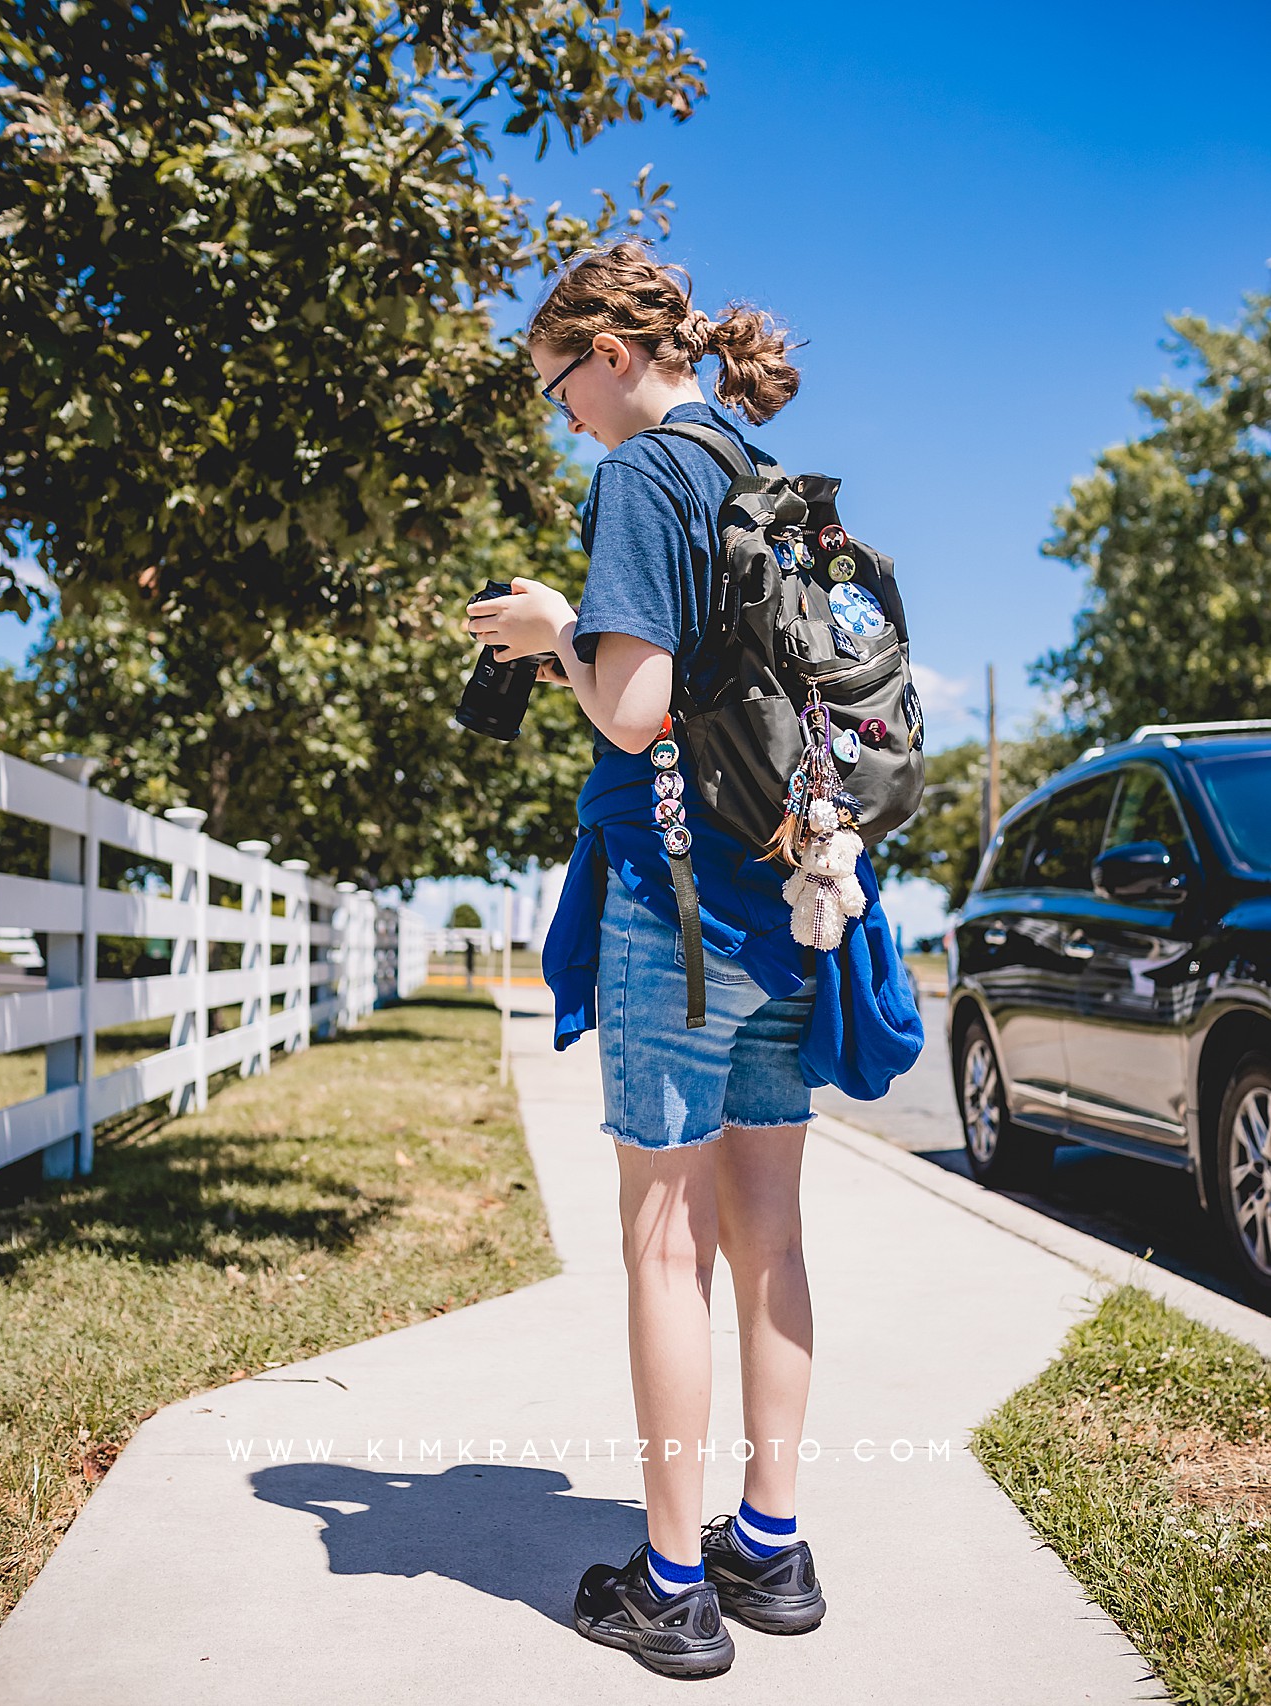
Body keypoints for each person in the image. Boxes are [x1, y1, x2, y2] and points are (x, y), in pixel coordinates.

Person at [463, 241, 907, 1679]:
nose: (561, 418)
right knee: (765, 1224)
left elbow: (640, 708)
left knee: (663, 1238)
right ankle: (766, 1548)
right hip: (786, 891)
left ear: (603, 352)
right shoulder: (749, 463)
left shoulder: (643, 475)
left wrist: (555, 635)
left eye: (554, 388)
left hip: (674, 906)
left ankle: (668, 1584)